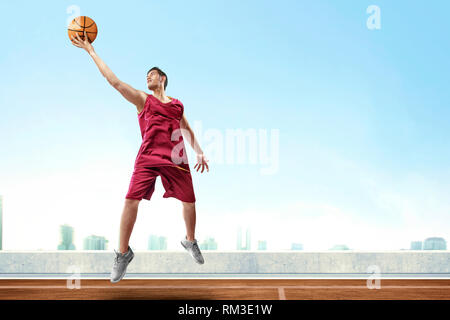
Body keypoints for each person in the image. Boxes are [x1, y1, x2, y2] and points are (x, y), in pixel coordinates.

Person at [71, 30, 209, 283]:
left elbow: (186, 127)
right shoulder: (142, 100)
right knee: (130, 201)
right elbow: (115, 82)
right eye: (146, 76)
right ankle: (122, 254)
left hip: (176, 159)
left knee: (189, 201)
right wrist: (91, 51)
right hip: (148, 156)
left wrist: (199, 151)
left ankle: (190, 241)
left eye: (152, 74)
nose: (148, 77)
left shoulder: (177, 104)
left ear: (163, 79)